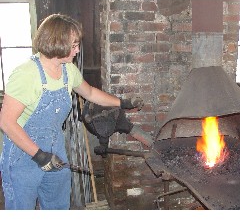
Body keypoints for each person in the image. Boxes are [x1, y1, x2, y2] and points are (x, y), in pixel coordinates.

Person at [0, 13, 143, 210]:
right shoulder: (26, 74)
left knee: (57, 206)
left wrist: (122, 102)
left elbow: (90, 93)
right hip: (23, 154)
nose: (77, 50)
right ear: (57, 42)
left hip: (54, 147)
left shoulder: (68, 69)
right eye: (73, 45)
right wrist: (39, 155)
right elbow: (6, 122)